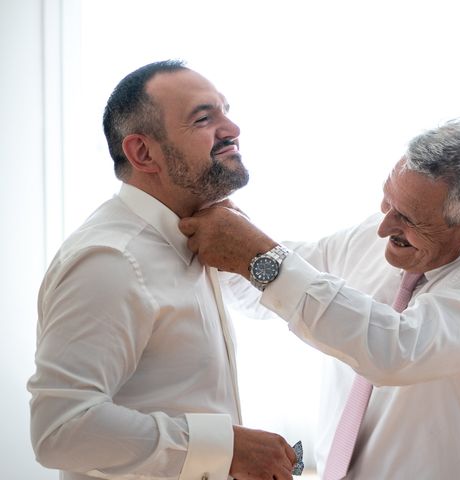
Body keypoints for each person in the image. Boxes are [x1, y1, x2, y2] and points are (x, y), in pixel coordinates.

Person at [178, 119, 460, 479]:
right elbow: (263, 287)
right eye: (387, 202)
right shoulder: (371, 237)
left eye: (408, 219)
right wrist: (206, 219)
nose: (384, 226)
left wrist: (259, 257)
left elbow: (395, 351)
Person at [27, 60, 298, 480]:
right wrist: (225, 448)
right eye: (204, 118)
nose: (232, 128)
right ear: (143, 152)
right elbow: (60, 430)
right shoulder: (111, 260)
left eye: (226, 110)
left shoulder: (200, 237)